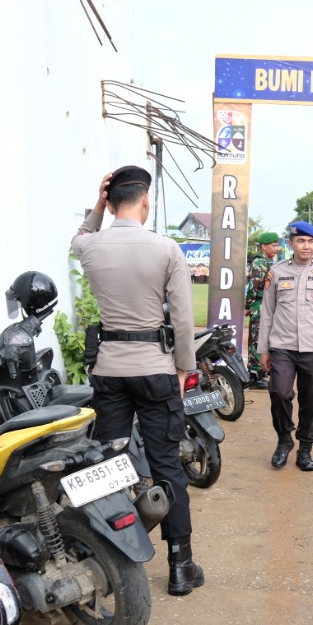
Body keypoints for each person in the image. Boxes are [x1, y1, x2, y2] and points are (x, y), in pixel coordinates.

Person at [73, 165, 202, 596]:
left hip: (109, 370)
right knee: (167, 465)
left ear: (110, 202)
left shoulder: (90, 246)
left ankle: (109, 556)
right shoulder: (166, 249)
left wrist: (98, 205)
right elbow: (182, 318)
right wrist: (184, 365)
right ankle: (181, 566)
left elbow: (79, 235)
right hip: (155, 370)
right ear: (145, 200)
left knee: (108, 467)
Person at [258, 221, 313, 471]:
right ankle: (285, 438)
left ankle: (305, 448)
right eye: (301, 241)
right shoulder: (277, 272)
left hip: (312, 348)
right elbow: (267, 312)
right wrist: (263, 349)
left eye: (311, 242)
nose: (306, 246)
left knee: (312, 398)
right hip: (282, 346)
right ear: (291, 244)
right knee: (279, 392)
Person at [245, 230, 284, 386]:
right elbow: (253, 288)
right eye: (273, 246)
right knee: (257, 339)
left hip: (264, 305)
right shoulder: (259, 263)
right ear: (264, 246)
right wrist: (247, 306)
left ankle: (260, 372)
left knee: (262, 337)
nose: (276, 249)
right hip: (258, 305)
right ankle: (255, 376)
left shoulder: (264, 263)